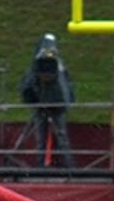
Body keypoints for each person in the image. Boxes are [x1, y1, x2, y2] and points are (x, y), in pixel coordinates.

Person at [19, 34, 76, 169]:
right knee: (42, 139)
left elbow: (66, 85)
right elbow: (28, 84)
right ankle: (41, 167)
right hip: (40, 106)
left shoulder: (58, 66)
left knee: (61, 138)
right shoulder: (36, 65)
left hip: (57, 105)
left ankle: (69, 168)